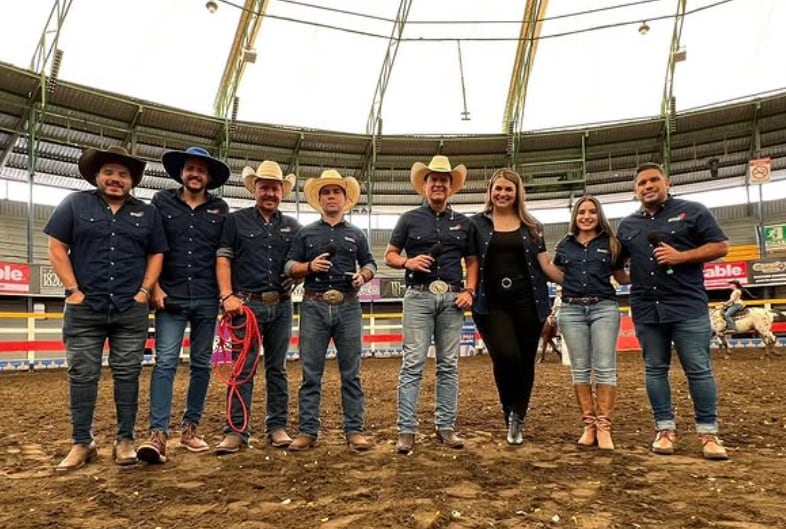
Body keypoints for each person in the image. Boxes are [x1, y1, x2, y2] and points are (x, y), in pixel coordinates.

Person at [44, 146, 168, 471]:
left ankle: (124, 439)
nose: (116, 179)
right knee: (82, 374)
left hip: (131, 308)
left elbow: (157, 253)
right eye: (109, 172)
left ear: (132, 181)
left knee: (128, 374)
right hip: (86, 307)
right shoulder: (74, 204)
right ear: (97, 176)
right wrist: (72, 290)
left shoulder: (147, 213)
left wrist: (144, 290)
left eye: (123, 174)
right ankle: (82, 442)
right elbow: (56, 246)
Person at [617, 162, 730, 460]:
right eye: (642, 183)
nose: (648, 186)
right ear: (635, 190)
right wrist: (625, 277)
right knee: (655, 369)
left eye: (654, 180)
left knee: (699, 369)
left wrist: (681, 257)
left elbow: (720, 246)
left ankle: (708, 433)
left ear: (667, 182)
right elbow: (618, 265)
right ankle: (664, 429)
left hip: (687, 305)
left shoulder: (693, 211)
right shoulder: (627, 225)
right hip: (646, 307)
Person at [136, 147, 230, 464]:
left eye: (201, 170)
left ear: (208, 177)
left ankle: (190, 429)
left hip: (206, 296)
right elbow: (150, 246)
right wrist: (154, 287)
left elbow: (223, 253)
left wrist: (224, 293)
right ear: (181, 172)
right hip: (170, 296)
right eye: (190, 168)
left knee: (202, 364)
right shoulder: (161, 203)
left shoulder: (220, 209)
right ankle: (158, 433)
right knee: (165, 362)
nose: (195, 174)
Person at [384, 155, 479, 454]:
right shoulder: (408, 219)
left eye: (444, 180)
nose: (438, 184)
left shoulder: (465, 223)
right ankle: (406, 430)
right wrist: (407, 261)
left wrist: (470, 291)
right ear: (424, 185)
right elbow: (389, 255)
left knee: (448, 364)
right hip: (418, 295)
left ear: (451, 187)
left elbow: (473, 261)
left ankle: (446, 427)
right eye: (433, 179)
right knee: (412, 363)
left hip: (452, 298)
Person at [212, 161, 301, 454]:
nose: (270, 193)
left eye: (275, 188)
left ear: (282, 192)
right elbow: (223, 257)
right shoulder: (235, 221)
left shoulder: (293, 227)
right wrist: (227, 296)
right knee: (242, 369)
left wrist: (295, 279)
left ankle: (277, 426)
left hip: (281, 305)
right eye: (264, 187)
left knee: (278, 368)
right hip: (245, 305)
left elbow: (297, 265)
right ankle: (236, 431)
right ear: (255, 190)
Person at [285, 169, 377, 452]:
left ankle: (354, 430)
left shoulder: (356, 234)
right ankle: (308, 431)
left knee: (352, 372)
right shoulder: (306, 233)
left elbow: (371, 264)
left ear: (344, 198)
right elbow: (289, 266)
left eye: (336, 191)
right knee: (311, 372)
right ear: (320, 199)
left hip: (348, 303)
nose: (331, 196)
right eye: (326, 192)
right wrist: (309, 267)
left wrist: (363, 276)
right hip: (314, 303)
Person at [469, 168, 562, 446]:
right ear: (490, 191)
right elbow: (470, 260)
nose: (503, 193)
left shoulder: (533, 226)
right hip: (491, 303)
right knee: (506, 356)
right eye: (498, 188)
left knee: (524, 362)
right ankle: (508, 408)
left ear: (517, 192)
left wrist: (581, 282)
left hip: (528, 302)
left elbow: (545, 265)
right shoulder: (476, 224)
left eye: (509, 189)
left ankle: (517, 417)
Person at [553, 195, 628, 450]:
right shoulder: (565, 245)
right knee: (580, 369)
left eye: (591, 212)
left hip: (604, 307)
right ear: (575, 216)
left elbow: (622, 277)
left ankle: (604, 426)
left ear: (599, 216)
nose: (586, 216)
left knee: (606, 367)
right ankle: (589, 425)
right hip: (571, 309)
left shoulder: (612, 244)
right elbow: (556, 273)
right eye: (581, 212)